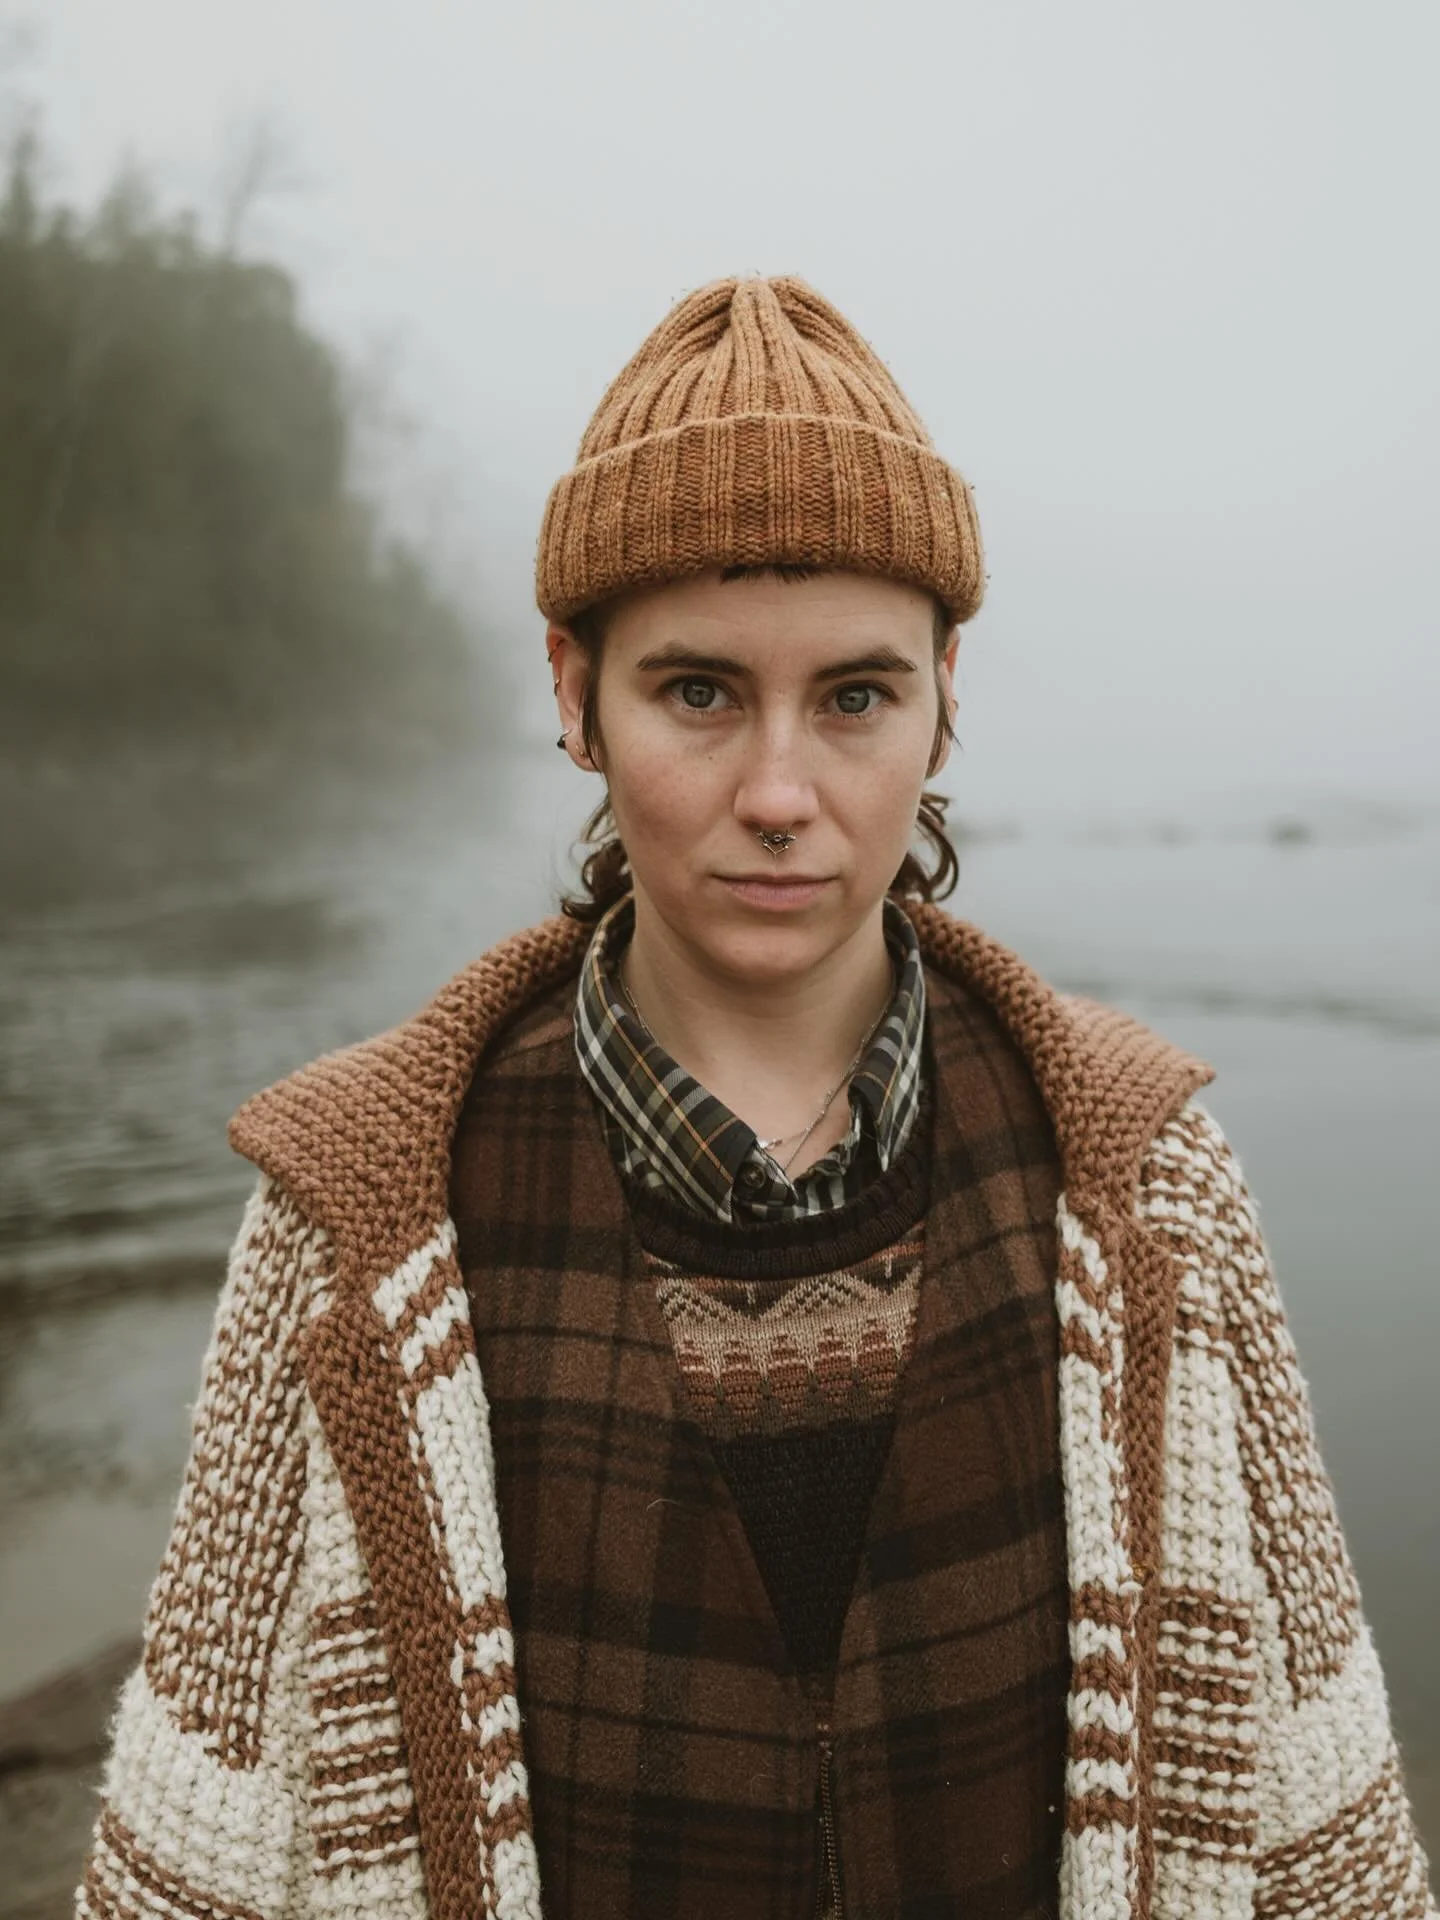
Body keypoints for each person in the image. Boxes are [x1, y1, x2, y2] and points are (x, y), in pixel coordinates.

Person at [75, 277, 1433, 1920]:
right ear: (575, 694)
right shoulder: (355, 1217)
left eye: (855, 697)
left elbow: (1325, 1835)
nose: (781, 795)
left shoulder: (1149, 1190)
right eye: (700, 692)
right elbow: (192, 1852)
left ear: (948, 695)